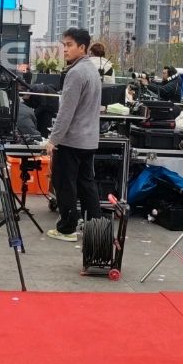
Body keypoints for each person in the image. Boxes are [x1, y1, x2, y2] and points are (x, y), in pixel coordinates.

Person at [45, 27, 103, 242]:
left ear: (82, 47)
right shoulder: (92, 70)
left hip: (71, 140)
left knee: (64, 184)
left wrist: (53, 139)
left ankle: (67, 228)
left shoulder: (75, 73)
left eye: (69, 45)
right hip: (89, 140)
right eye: (64, 45)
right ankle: (96, 230)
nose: (65, 49)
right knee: (87, 185)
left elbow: (66, 111)